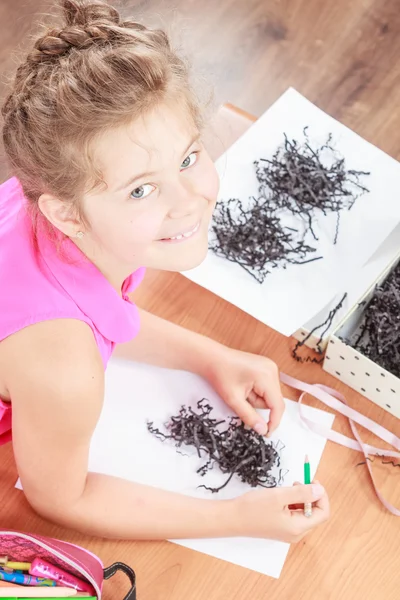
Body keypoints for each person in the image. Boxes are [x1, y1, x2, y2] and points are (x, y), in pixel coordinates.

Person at [0, 0, 329, 542]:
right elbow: (60, 495)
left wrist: (210, 356)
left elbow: (94, 314)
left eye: (187, 158)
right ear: (66, 211)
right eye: (141, 189)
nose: (189, 201)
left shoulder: (50, 209)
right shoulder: (63, 369)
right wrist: (237, 518)